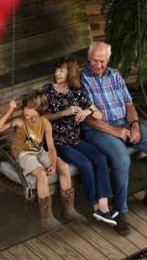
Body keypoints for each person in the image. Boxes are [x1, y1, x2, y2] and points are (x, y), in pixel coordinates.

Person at [80, 41, 147, 236]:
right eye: (95, 61)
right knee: (121, 158)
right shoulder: (82, 79)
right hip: (99, 130)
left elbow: (129, 104)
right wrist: (115, 132)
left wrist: (135, 126)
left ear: (108, 60)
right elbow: (89, 119)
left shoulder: (114, 75)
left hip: (124, 122)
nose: (98, 65)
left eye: (102, 61)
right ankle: (120, 210)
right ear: (88, 59)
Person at [0, 90, 85, 230]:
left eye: (30, 107)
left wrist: (53, 164)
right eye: (24, 107)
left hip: (39, 151)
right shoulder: (19, 121)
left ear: (39, 109)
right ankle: (47, 218)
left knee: (64, 167)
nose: (25, 110)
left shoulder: (45, 123)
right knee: (41, 174)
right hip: (23, 154)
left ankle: (68, 210)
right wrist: (10, 110)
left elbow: (51, 148)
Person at [41, 56, 119, 226]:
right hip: (57, 142)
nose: (57, 72)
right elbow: (41, 119)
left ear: (71, 72)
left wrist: (89, 111)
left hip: (75, 139)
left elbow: (99, 115)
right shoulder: (47, 90)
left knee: (101, 158)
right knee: (85, 164)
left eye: (62, 70)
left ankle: (104, 206)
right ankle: (96, 206)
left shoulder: (78, 90)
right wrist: (64, 112)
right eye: (56, 69)